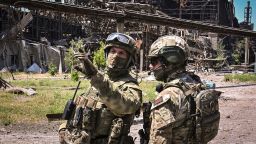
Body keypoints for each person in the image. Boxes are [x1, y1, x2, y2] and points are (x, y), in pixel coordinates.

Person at [59, 33, 142, 144]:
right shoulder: (100, 78)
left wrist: (95, 75)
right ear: (107, 54)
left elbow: (122, 106)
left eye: (121, 53)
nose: (115, 56)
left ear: (129, 59)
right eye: (112, 51)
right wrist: (65, 130)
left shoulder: (130, 86)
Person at [147, 35, 218, 144]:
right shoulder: (196, 83)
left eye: (154, 61)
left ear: (170, 60)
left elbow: (158, 140)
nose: (150, 67)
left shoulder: (169, 96)